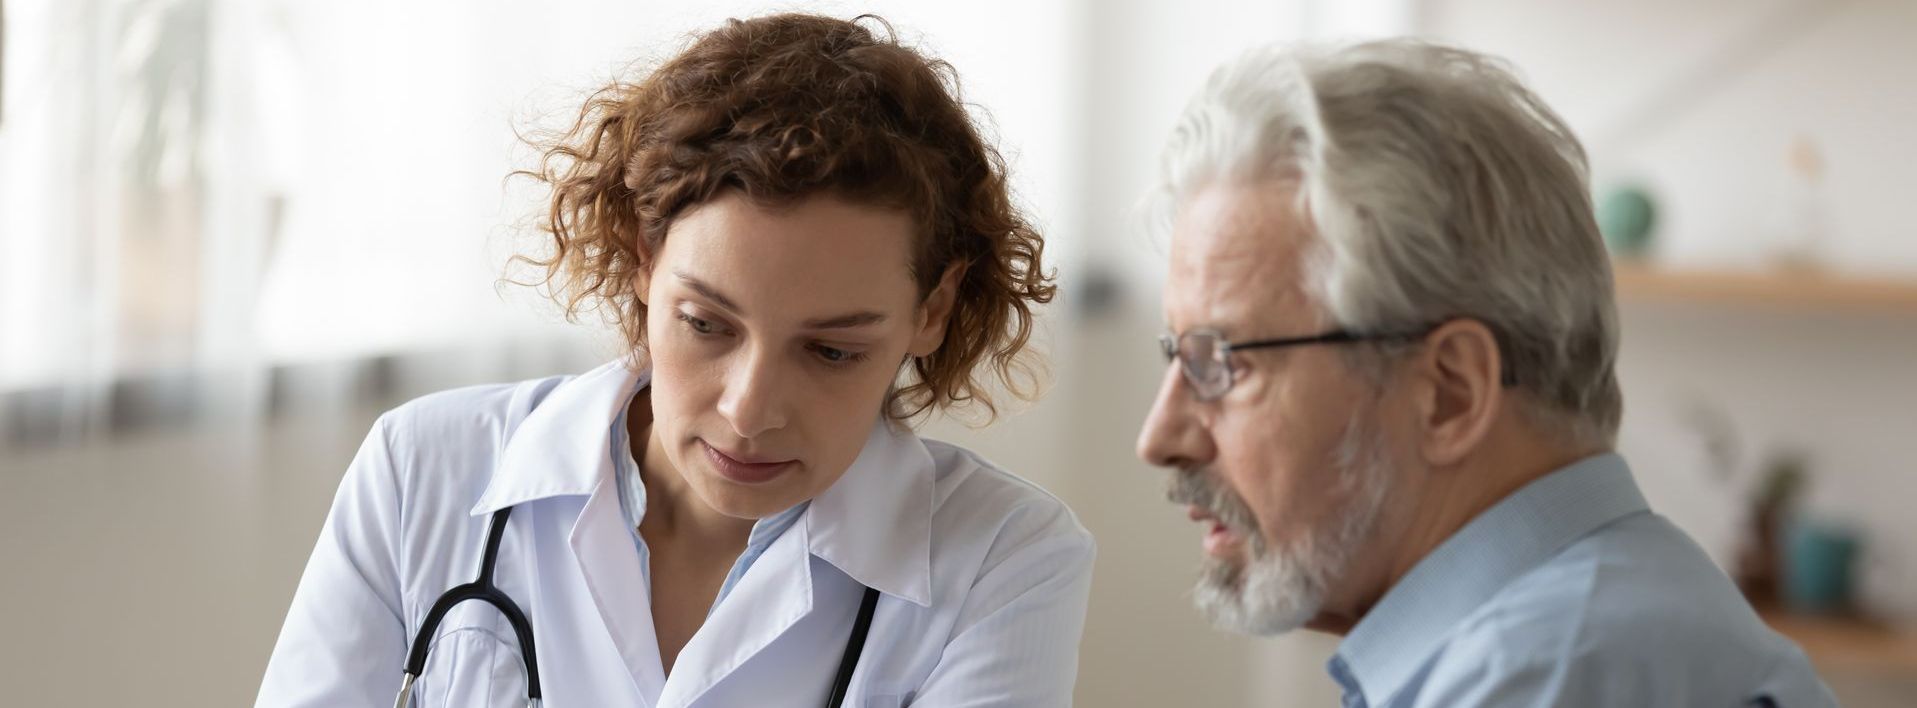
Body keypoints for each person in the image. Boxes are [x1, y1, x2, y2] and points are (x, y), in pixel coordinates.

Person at [258, 14, 1093, 707]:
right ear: (641, 260)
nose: (749, 408)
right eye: (706, 324)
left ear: (933, 310)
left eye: (831, 350)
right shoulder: (421, 474)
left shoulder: (1004, 560)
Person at [1134, 39, 1835, 707]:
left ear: (1449, 393)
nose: (1158, 436)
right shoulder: (1594, 624)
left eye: (1219, 362)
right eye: (1177, 357)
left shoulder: (1538, 678)